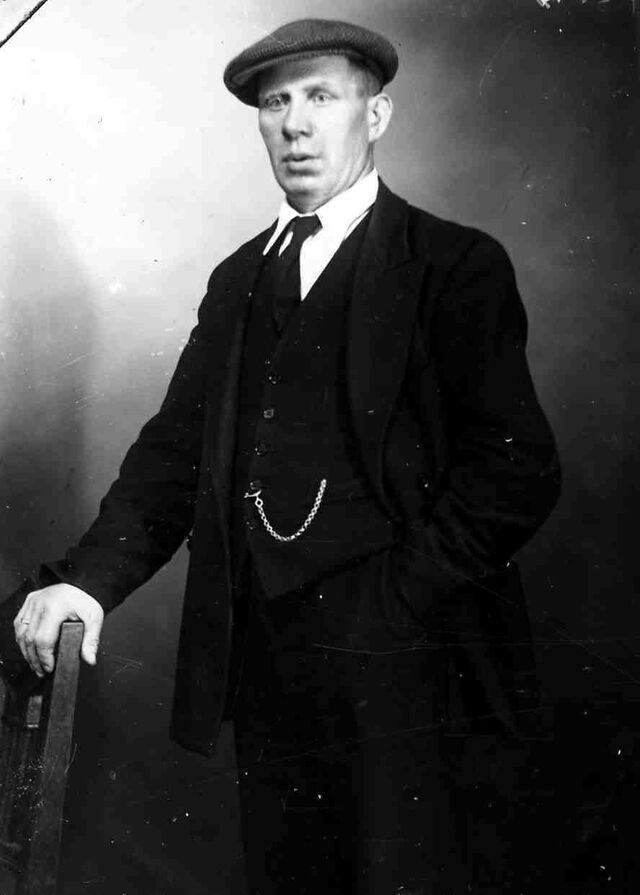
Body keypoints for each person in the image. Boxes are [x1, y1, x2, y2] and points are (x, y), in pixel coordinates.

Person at [10, 18, 561, 894]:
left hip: (411, 674)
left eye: (321, 97)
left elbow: (517, 469)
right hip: (266, 669)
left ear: (375, 116)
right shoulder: (238, 280)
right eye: (276, 103)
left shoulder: (452, 264)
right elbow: (173, 458)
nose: (296, 124)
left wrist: (397, 601)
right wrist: (89, 581)